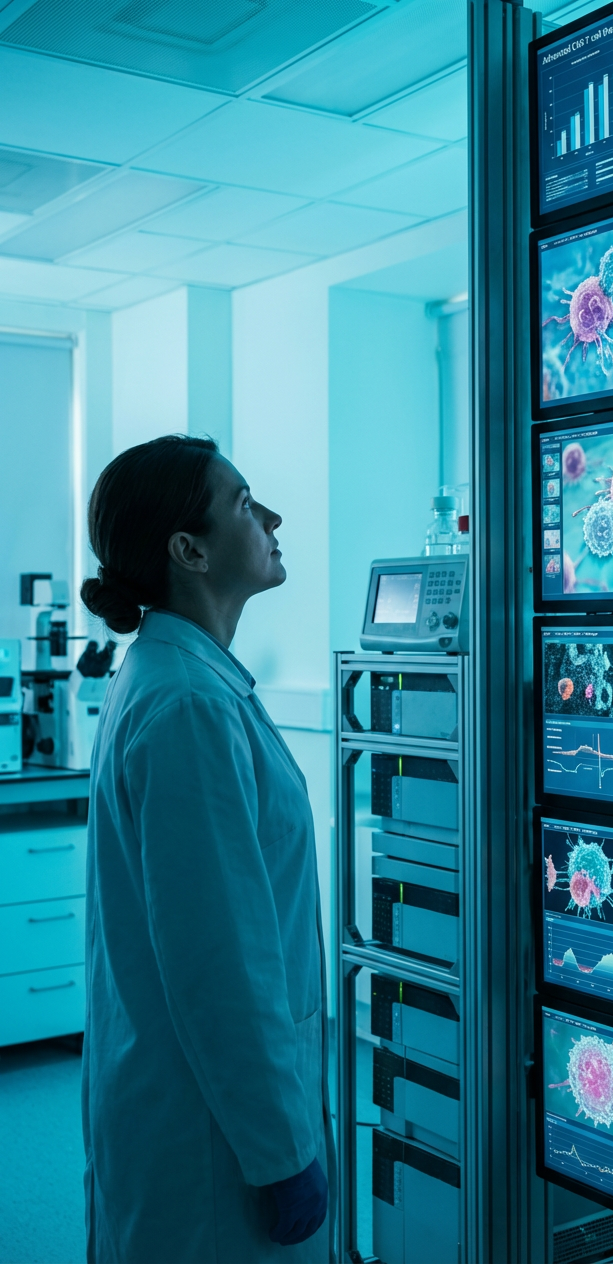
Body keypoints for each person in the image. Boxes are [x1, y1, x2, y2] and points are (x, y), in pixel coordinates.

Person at [80, 435, 334, 1263]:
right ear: (189, 550)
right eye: (243, 503)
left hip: (182, 1098)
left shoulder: (177, 679)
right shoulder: (187, 705)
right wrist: (281, 1153)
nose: (271, 518)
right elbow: (221, 963)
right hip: (213, 1140)